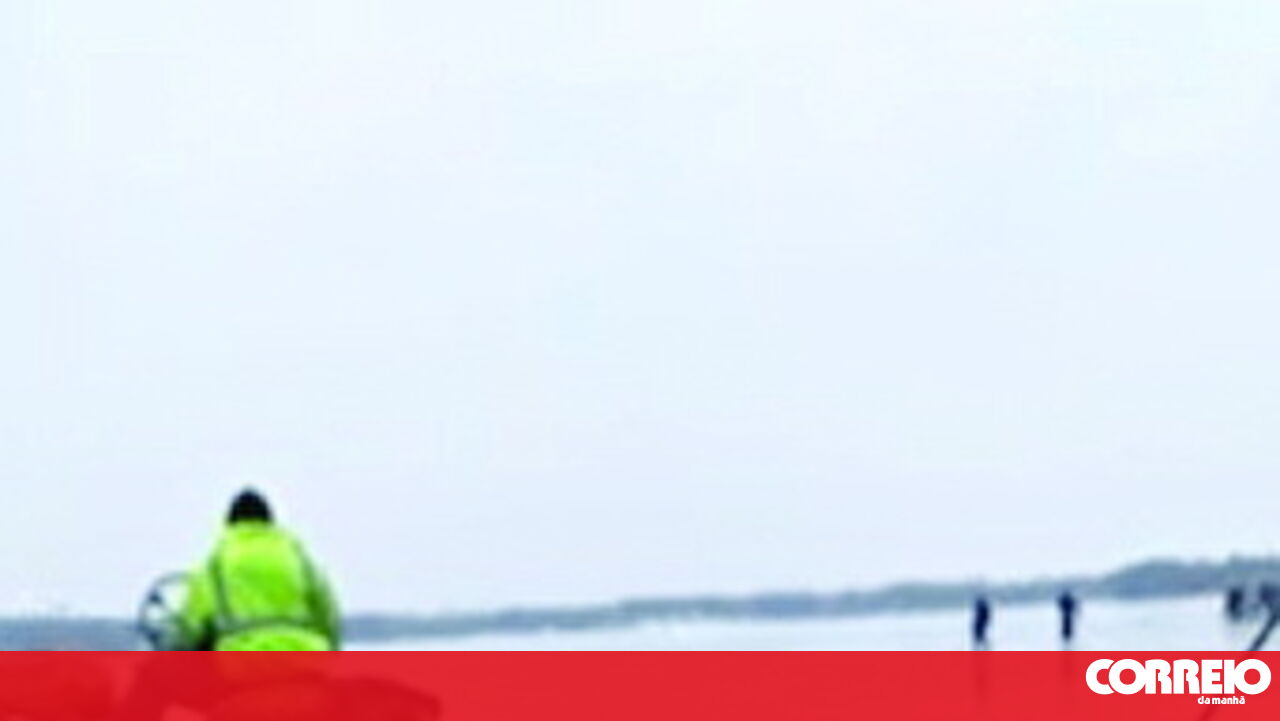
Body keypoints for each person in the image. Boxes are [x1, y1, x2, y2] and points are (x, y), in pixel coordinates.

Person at [173, 489, 341, 651]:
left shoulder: (217, 561)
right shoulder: (297, 555)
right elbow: (328, 612)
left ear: (229, 523)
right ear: (270, 521)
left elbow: (191, 624)